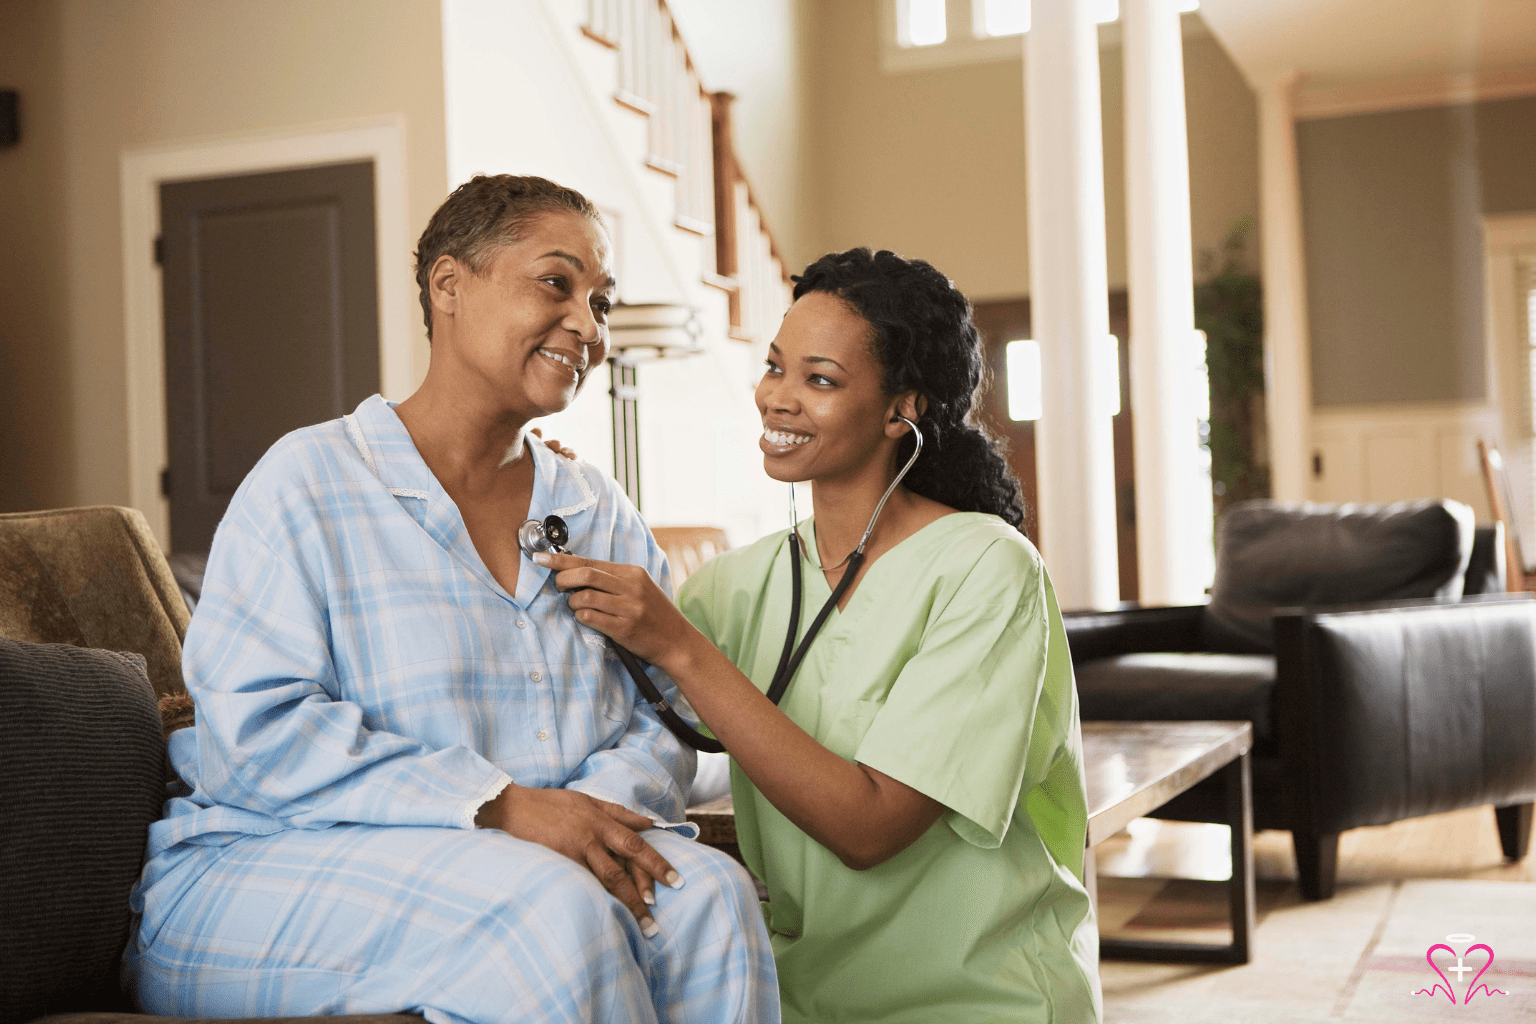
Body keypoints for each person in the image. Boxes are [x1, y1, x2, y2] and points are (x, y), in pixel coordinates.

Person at [125, 174, 779, 1024]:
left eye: (602, 302)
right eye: (556, 283)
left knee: (713, 899)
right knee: (551, 915)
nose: (587, 324)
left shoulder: (595, 509)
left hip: (529, 861)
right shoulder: (309, 481)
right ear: (448, 286)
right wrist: (503, 808)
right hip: (267, 860)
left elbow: (662, 715)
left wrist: (594, 814)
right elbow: (257, 734)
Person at [538, 248, 1103, 1023]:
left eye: (821, 380)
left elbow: (869, 828)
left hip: (979, 997)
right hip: (800, 997)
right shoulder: (736, 587)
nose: (778, 398)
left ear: (900, 409)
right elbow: (631, 701)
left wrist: (680, 647)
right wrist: (549, 487)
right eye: (774, 368)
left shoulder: (988, 570)